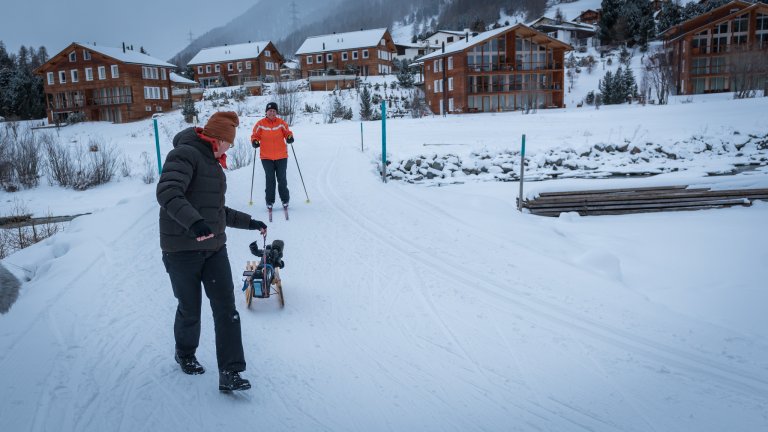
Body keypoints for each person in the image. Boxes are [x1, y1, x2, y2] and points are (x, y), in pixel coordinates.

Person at [157, 111, 268, 393]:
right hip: (181, 249)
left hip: (214, 248)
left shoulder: (213, 163)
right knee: (190, 308)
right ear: (217, 139)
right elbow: (168, 192)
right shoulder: (184, 155)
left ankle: (230, 371)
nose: (229, 148)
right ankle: (185, 353)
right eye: (229, 143)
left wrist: (249, 222)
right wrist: (193, 222)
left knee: (226, 309)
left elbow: (216, 211)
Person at [250, 102, 294, 210]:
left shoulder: (281, 123)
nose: (272, 112)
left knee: (282, 179)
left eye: (274, 111)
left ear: (276, 112)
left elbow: (287, 132)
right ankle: (269, 201)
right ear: (266, 112)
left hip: (281, 156)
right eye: (270, 111)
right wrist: (254, 141)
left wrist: (289, 137)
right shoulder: (260, 124)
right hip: (266, 157)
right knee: (270, 179)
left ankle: (285, 199)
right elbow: (254, 135)